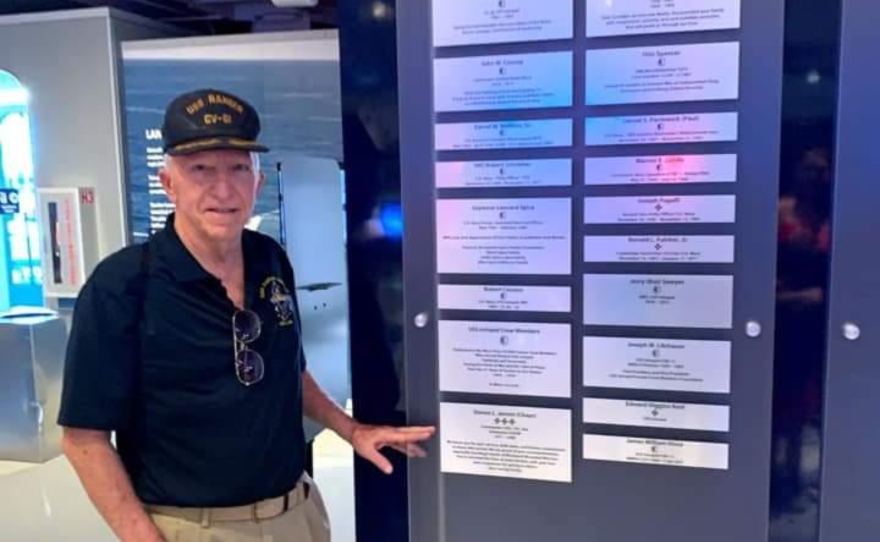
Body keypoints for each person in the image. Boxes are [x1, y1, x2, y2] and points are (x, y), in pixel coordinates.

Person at [57, 88, 435, 542]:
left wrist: (352, 430)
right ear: (168, 182)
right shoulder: (122, 285)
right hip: (196, 529)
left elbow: (289, 372)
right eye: (201, 170)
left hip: (298, 515)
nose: (223, 189)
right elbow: (84, 440)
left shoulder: (268, 258)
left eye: (238, 168)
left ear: (256, 183)